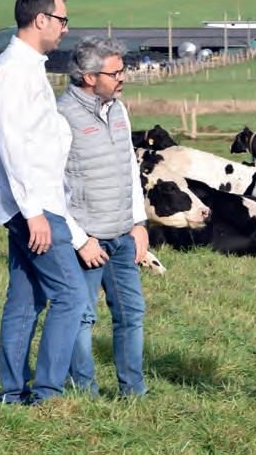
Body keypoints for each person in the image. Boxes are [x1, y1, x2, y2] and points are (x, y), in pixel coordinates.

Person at [0, 0, 88, 404]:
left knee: (25, 300)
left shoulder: (27, 67)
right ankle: (46, 393)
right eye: (62, 19)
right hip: (35, 205)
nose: (66, 28)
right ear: (41, 19)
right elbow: (12, 145)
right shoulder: (13, 71)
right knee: (71, 295)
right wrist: (33, 212)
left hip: (36, 202)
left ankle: (14, 393)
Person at [57, 36, 149, 396]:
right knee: (82, 317)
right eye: (115, 73)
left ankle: (134, 392)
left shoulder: (119, 110)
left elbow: (129, 168)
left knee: (131, 313)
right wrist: (80, 239)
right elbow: (52, 184)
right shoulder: (62, 115)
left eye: (123, 70)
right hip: (87, 239)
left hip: (123, 235)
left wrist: (139, 223)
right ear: (89, 77)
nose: (122, 78)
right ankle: (84, 393)